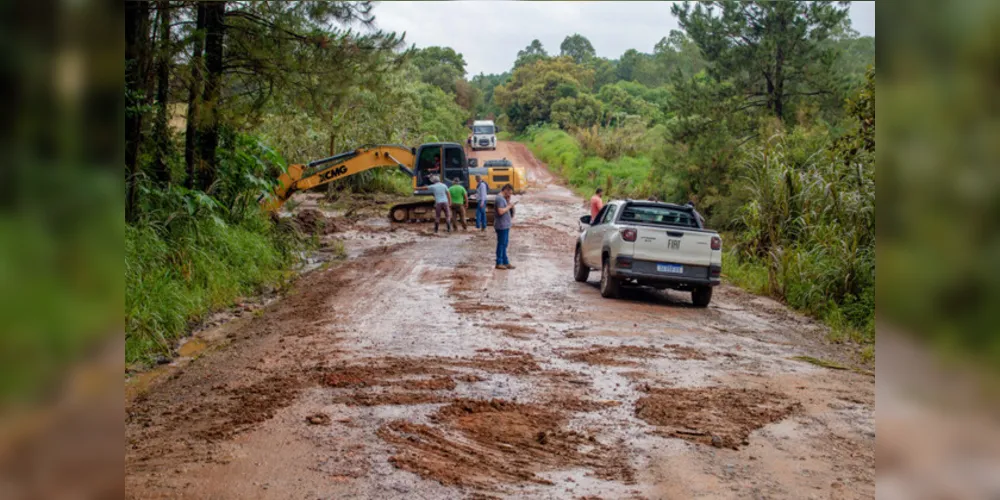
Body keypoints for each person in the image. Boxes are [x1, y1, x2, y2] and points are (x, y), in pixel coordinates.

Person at [494, 183, 518, 270]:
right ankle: (499, 262)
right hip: (501, 225)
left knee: (504, 244)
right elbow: (500, 212)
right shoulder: (500, 199)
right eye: (510, 193)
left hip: (505, 224)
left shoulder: (503, 198)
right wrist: (509, 206)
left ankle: (505, 262)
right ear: (506, 190)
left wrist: (508, 201)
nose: (510, 194)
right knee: (501, 244)